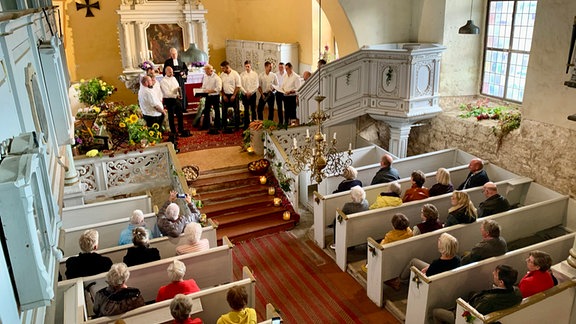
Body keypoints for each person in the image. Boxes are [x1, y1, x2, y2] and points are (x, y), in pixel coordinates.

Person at [432, 264, 522, 324]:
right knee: (471, 293)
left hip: (468, 318)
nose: (493, 273)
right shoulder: (516, 292)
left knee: (436, 312)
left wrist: (461, 309)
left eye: (496, 274)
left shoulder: (488, 301)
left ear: (501, 282)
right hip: (490, 310)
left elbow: (472, 316)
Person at [392, 233, 460, 290]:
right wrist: (429, 267)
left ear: (443, 246)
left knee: (413, 265)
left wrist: (420, 273)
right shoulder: (457, 259)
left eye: (440, 241)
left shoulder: (436, 264)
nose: (438, 241)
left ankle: (400, 281)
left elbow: (426, 279)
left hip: (430, 286)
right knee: (415, 262)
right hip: (444, 283)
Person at [329, 186, 369, 250]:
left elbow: (341, 215)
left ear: (353, 197)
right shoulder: (366, 202)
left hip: (350, 225)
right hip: (362, 224)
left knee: (336, 221)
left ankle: (336, 242)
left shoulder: (348, 206)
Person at [161, 66, 189, 139]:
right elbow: (166, 93)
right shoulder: (163, 81)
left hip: (176, 99)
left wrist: (178, 94)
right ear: (166, 72)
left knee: (180, 114)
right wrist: (174, 94)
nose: (172, 73)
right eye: (170, 72)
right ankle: (173, 131)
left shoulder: (173, 78)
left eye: (172, 72)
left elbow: (177, 87)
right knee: (171, 116)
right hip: (169, 100)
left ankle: (181, 129)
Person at [220, 60, 242, 132]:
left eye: (223, 68)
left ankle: (236, 127)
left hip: (234, 95)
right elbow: (220, 86)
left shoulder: (235, 74)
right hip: (225, 95)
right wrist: (223, 95)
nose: (222, 70)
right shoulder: (222, 75)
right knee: (224, 111)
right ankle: (224, 126)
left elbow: (238, 86)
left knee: (236, 111)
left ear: (227, 67)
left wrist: (234, 95)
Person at [200, 64, 222, 132]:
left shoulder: (216, 78)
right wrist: (201, 91)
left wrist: (210, 91)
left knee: (216, 110)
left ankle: (217, 125)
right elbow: (204, 86)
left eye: (206, 71)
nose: (205, 72)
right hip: (208, 96)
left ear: (210, 70)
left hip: (215, 95)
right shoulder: (205, 77)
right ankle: (206, 125)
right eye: (205, 71)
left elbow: (219, 88)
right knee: (206, 110)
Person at [240, 60, 259, 128]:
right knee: (246, 110)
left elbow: (256, 85)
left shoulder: (255, 74)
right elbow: (240, 85)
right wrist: (245, 92)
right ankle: (246, 125)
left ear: (251, 66)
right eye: (246, 66)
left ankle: (254, 124)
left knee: (253, 110)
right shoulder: (242, 74)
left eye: (248, 66)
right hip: (244, 94)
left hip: (252, 94)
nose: (247, 68)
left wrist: (250, 92)